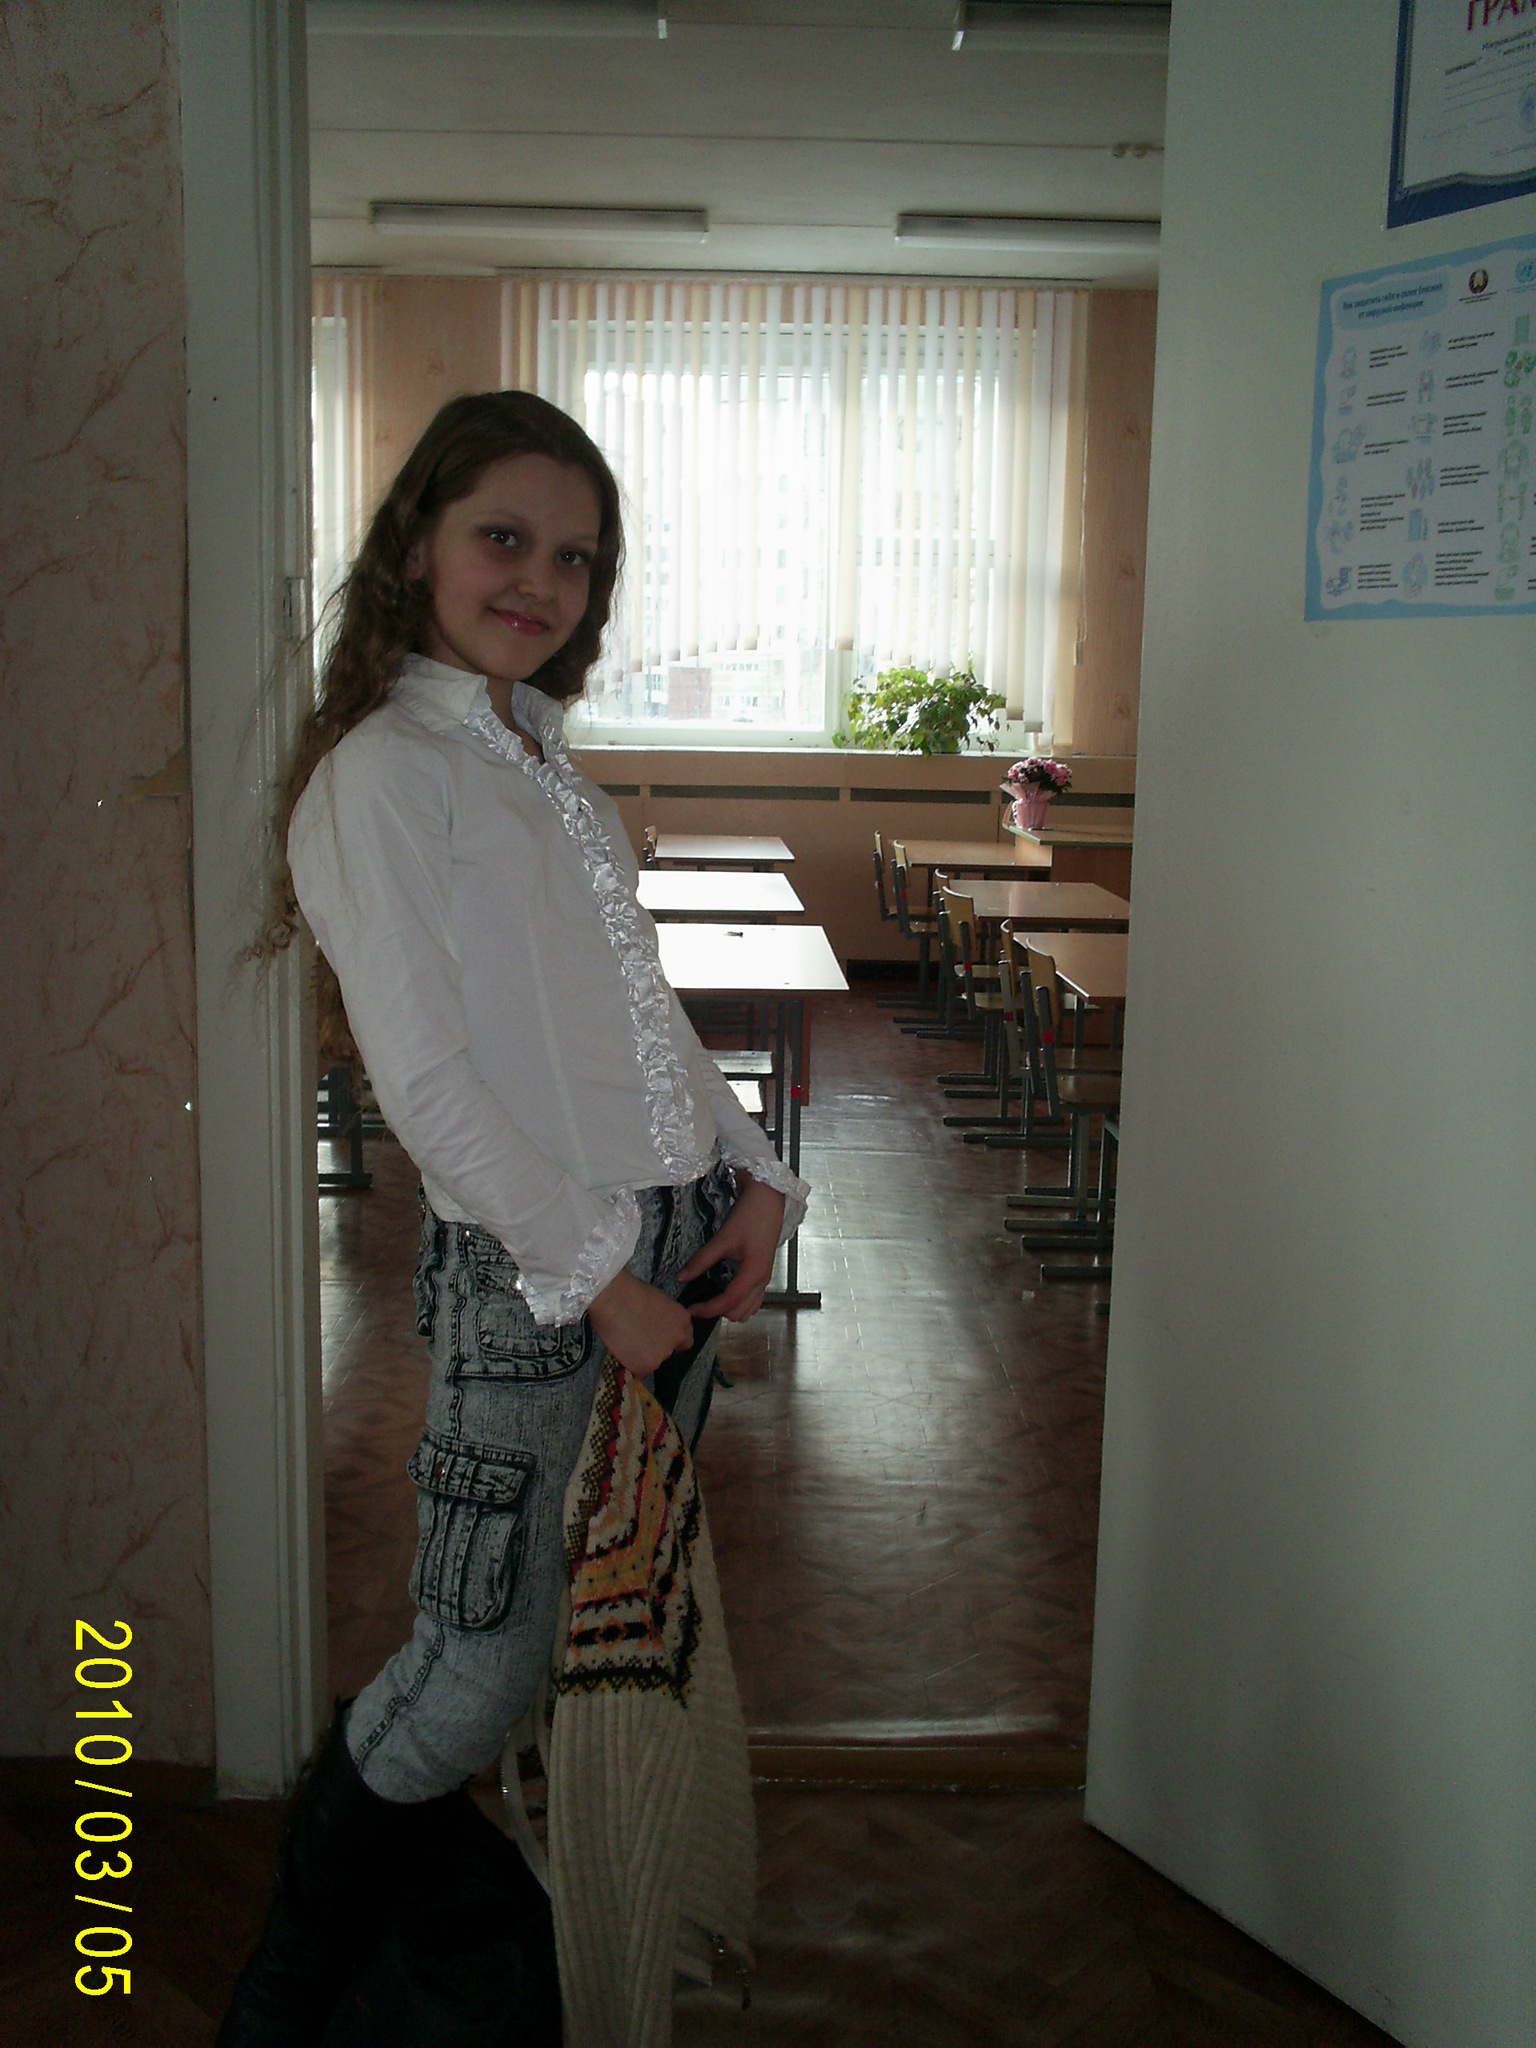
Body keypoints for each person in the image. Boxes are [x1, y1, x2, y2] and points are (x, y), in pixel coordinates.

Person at [219, 390, 808, 2046]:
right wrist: (600, 1277)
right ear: (415, 545)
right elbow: (425, 1082)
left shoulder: (541, 755)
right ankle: (283, 1997)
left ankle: (488, 1957)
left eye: (576, 556)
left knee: (578, 1629)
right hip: (549, 1272)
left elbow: (644, 1016)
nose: (540, 580)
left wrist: (761, 1172)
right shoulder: (383, 774)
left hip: (674, 1244)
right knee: (476, 1662)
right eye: (504, 537)